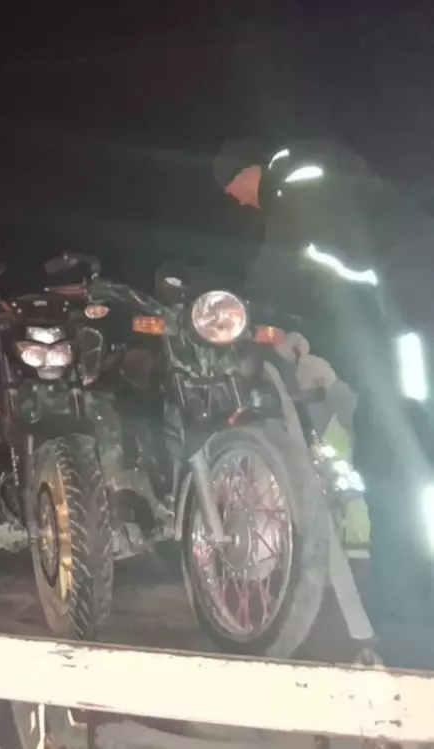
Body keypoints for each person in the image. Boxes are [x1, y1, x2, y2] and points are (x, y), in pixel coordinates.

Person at [214, 137, 434, 668]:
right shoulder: (331, 178)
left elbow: (280, 264)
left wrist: (249, 314)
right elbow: (337, 272)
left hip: (414, 317)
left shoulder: (295, 185)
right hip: (408, 305)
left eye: (233, 189)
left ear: (247, 173)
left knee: (399, 467)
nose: (238, 201)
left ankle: (409, 636)